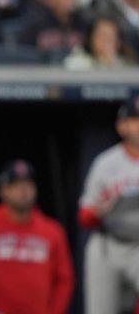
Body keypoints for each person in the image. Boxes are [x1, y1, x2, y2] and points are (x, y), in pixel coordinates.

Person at [0, 159, 74, 314]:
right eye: (15, 185)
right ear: (3, 191)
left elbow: (64, 280)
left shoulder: (52, 231)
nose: (23, 190)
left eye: (28, 184)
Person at [79, 93, 139, 314]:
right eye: (135, 119)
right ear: (122, 126)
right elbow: (84, 217)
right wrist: (97, 211)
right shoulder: (106, 163)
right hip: (108, 243)